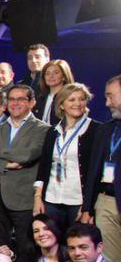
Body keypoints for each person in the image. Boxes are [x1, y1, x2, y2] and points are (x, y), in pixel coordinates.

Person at [0, 84, 50, 257]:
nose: (15, 103)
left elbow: (28, 155)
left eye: (20, 99)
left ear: (32, 102)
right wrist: (5, 164)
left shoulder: (43, 129)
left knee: (27, 248)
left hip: (23, 197)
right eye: (11, 99)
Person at [34, 83, 100, 233]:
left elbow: (95, 172)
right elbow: (44, 166)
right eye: (72, 100)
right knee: (53, 243)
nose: (77, 103)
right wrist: (37, 197)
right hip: (51, 198)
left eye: (81, 99)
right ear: (62, 105)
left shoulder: (95, 130)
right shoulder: (53, 131)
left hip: (78, 201)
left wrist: (88, 207)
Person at [81, 75, 121, 262]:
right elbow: (93, 172)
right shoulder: (105, 130)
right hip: (105, 202)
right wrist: (88, 207)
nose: (107, 103)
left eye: (110, 96)